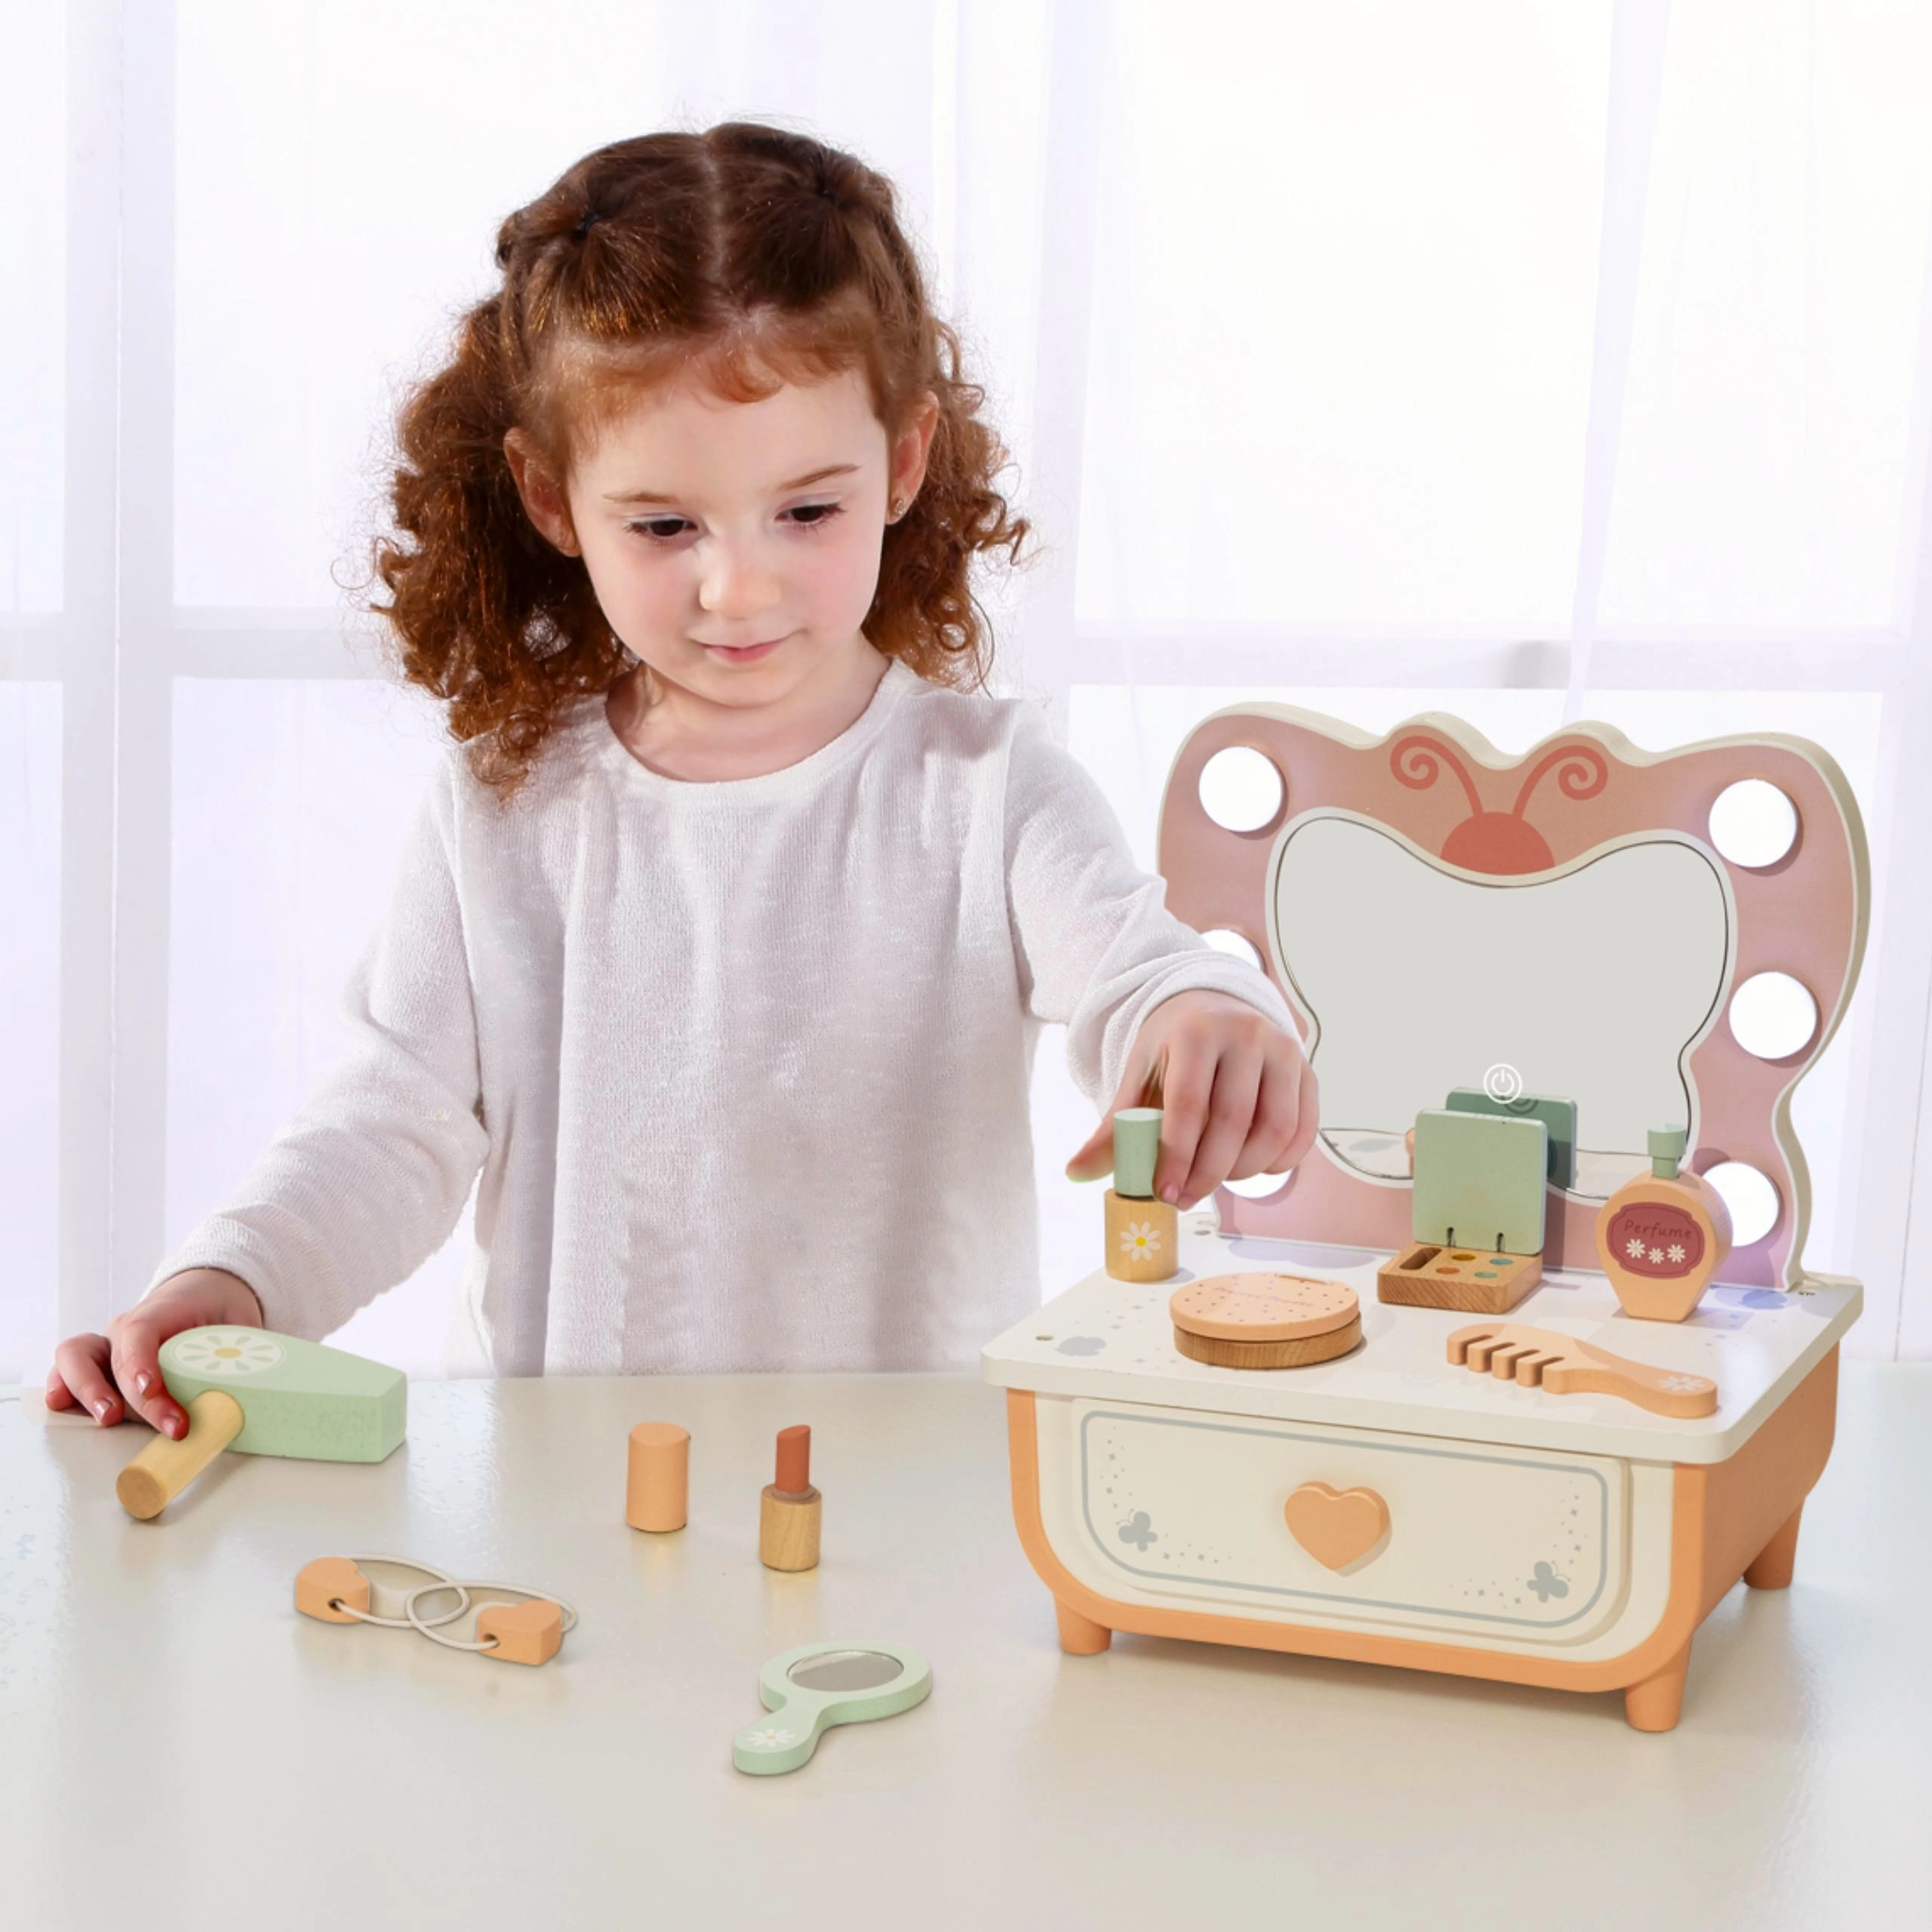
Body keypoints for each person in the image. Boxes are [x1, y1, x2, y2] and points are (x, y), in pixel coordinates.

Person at [47, 122, 1316, 1440]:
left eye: (806, 512)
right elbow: (394, 1120)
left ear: (904, 461)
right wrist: (233, 1282)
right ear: (551, 497)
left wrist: (1202, 1015)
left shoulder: (990, 791)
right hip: (560, 1492)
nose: (739, 587)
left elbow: (1136, 970)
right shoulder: (505, 808)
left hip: (902, 1493)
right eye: (664, 525)